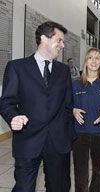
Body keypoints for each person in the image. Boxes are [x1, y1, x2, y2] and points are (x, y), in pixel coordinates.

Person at [0, 21, 75, 191]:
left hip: (58, 142)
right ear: (44, 39)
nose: (62, 46)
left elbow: (68, 104)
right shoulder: (17, 67)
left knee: (59, 188)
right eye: (60, 40)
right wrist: (13, 116)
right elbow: (6, 102)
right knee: (24, 188)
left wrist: (68, 135)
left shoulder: (63, 71)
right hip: (28, 139)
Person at [72, 48, 100, 192]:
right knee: (80, 171)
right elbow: (66, 104)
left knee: (98, 170)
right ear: (85, 61)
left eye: (97, 58)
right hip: (79, 133)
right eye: (90, 57)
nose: (93, 61)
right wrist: (73, 110)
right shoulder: (75, 83)